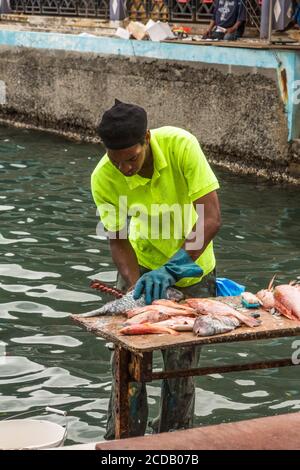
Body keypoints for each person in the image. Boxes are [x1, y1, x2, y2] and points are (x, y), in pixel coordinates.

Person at [91, 99, 221, 439]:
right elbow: (118, 240)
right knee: (127, 362)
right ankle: (123, 442)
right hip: (140, 267)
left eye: (131, 158)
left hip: (192, 268)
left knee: (179, 367)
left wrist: (172, 270)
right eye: (116, 161)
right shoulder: (103, 177)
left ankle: (174, 440)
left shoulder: (181, 145)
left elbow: (211, 217)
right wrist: (137, 289)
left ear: (147, 138)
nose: (125, 169)